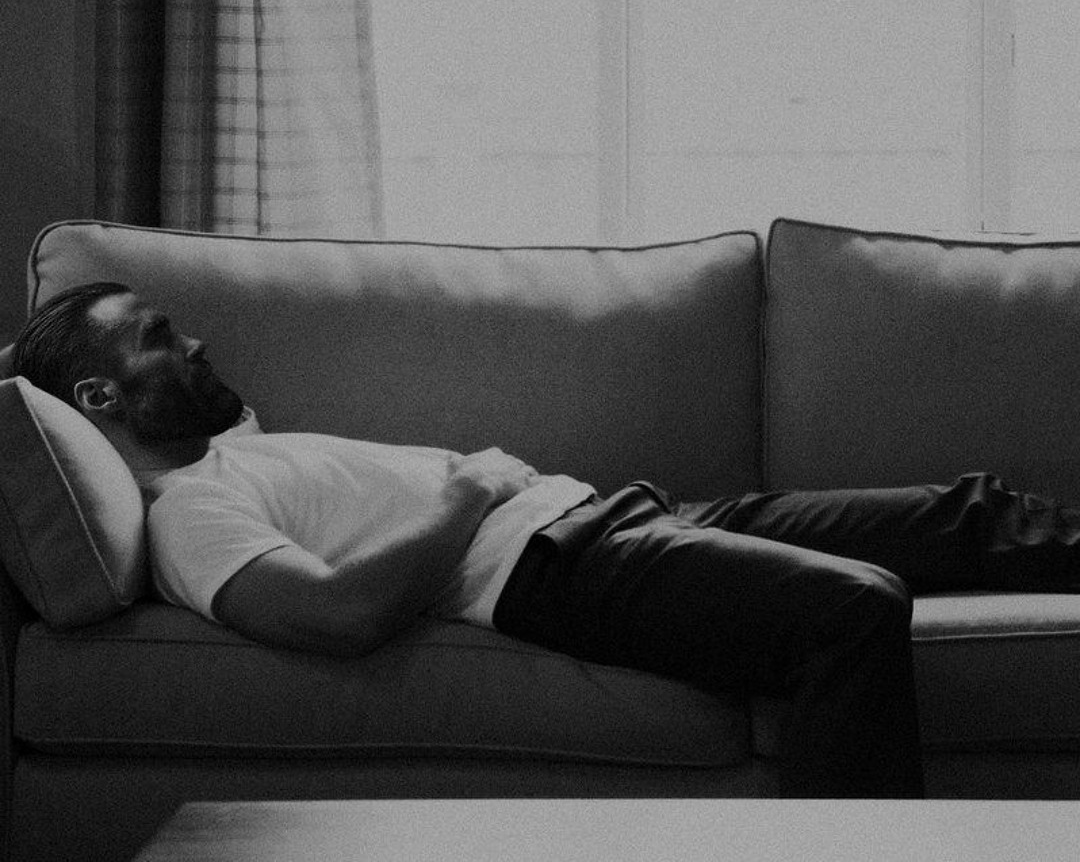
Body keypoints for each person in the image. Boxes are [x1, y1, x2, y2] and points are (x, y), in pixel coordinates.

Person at [12, 281, 1080, 799]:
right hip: (560, 565)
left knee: (965, 512)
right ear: (102, 395)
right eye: (160, 338)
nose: (194, 340)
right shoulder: (186, 516)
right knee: (852, 607)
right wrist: (471, 488)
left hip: (622, 515)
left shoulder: (223, 454)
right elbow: (337, 614)